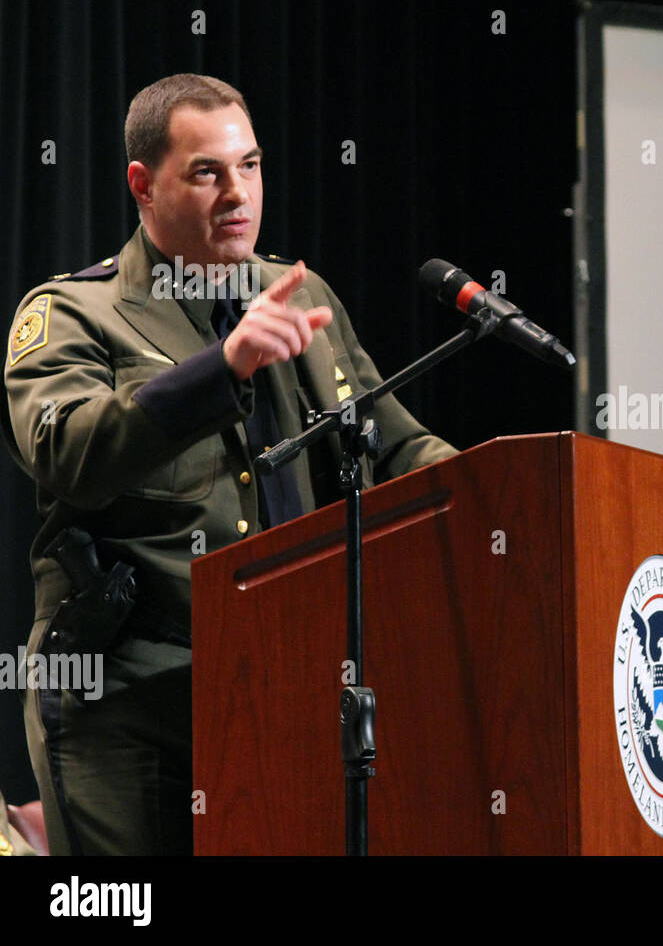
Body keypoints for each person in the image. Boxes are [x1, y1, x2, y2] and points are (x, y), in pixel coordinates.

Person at [2, 74, 456, 855]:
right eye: (207, 172)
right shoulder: (74, 312)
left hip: (289, 676)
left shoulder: (299, 295)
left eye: (249, 166)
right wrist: (222, 367)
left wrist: (503, 490)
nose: (237, 193)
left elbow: (395, 446)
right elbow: (68, 452)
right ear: (142, 185)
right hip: (128, 698)